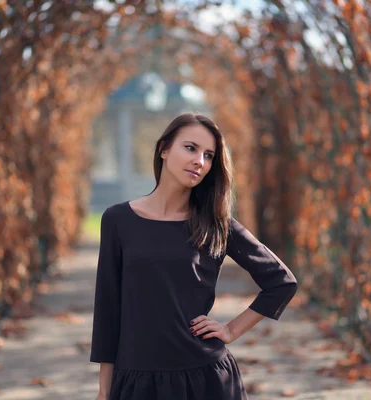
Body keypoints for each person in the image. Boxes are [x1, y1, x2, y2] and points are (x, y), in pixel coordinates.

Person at [90, 113, 298, 400]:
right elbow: (107, 312)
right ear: (164, 149)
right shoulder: (118, 220)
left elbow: (281, 282)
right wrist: (104, 390)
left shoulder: (216, 224)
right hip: (137, 382)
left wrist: (230, 330)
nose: (200, 161)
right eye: (190, 148)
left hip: (206, 379)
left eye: (209, 155)